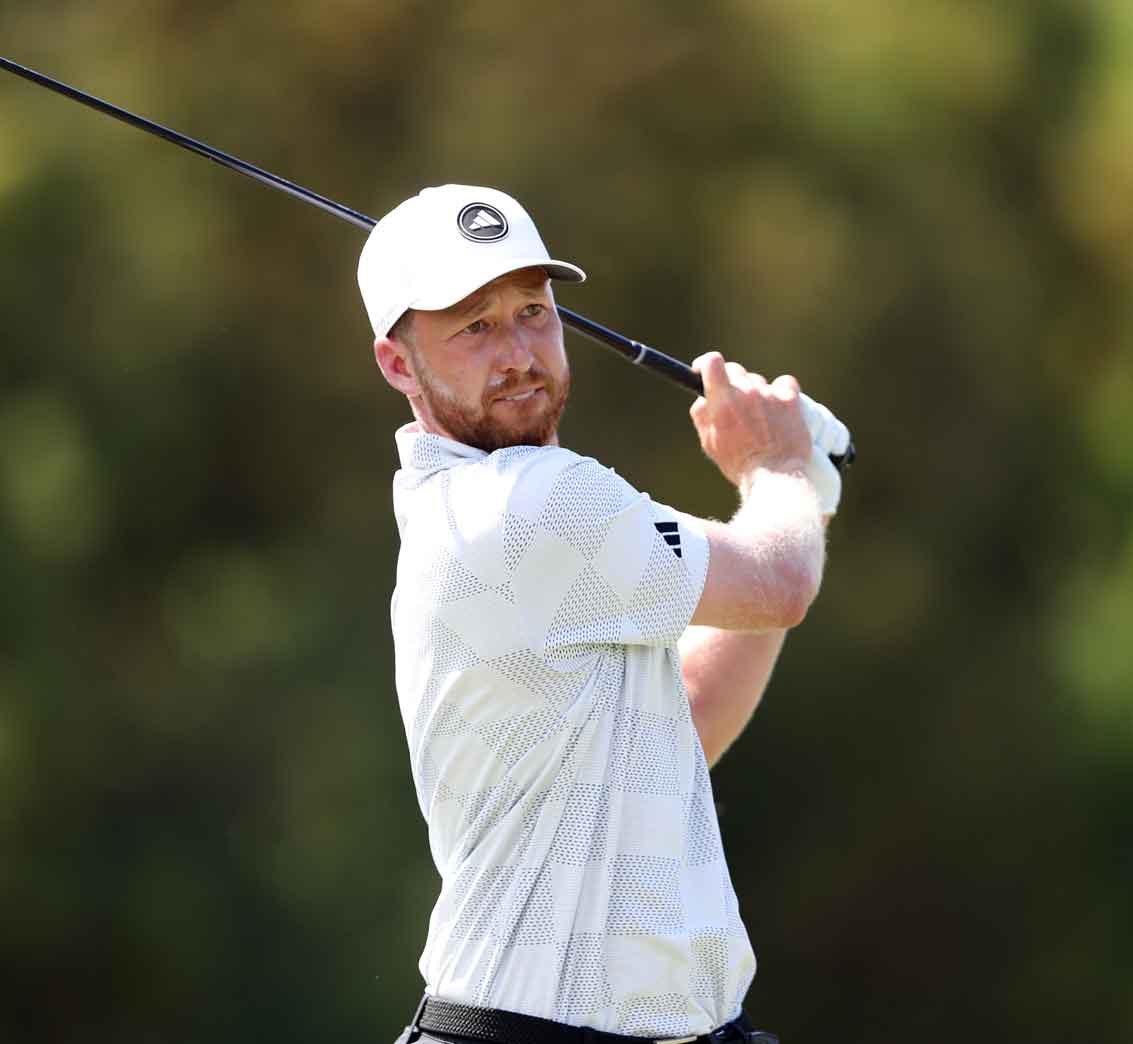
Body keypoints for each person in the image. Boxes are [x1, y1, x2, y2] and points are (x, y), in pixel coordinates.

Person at [361, 185, 846, 1044]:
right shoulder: (530, 503)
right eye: (473, 326)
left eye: (533, 312)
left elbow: (681, 720)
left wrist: (800, 492)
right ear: (399, 364)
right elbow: (780, 585)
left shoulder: (509, 520)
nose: (517, 351)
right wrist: (779, 470)